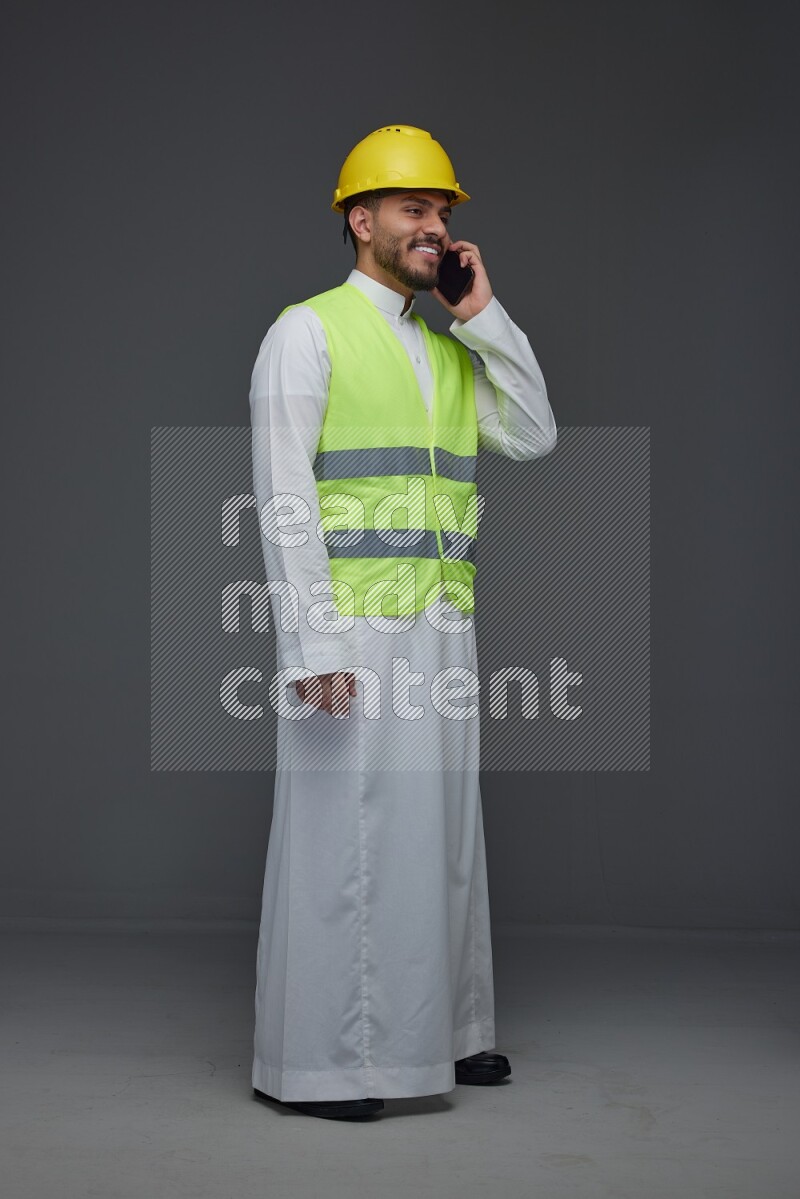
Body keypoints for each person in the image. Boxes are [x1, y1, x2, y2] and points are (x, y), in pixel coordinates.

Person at [248, 125, 557, 1120]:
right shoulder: (308, 329)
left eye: (444, 214)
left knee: (442, 836)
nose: (435, 226)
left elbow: (531, 432)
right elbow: (283, 495)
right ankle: (327, 1065)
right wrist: (313, 643)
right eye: (415, 209)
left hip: (439, 625)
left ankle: (451, 1031)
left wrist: (485, 314)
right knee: (347, 840)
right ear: (361, 219)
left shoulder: (447, 345)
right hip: (354, 630)